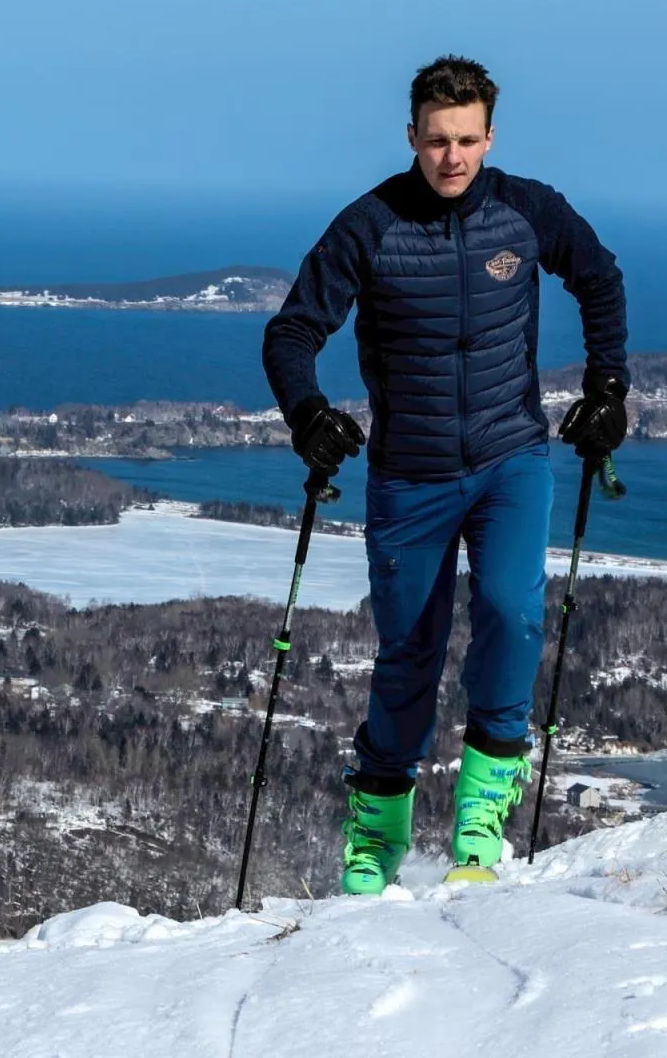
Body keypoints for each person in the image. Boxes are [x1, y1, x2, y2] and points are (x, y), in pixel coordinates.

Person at [261, 55, 630, 894]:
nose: (452, 157)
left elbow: (600, 278)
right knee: (409, 653)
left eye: (466, 140)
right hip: (411, 475)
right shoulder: (370, 225)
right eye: (436, 141)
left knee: (510, 612)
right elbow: (293, 333)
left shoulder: (528, 211)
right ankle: (375, 842)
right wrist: (307, 414)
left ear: (490, 137)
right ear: (411, 137)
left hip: (510, 458)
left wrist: (608, 386)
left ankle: (480, 821)